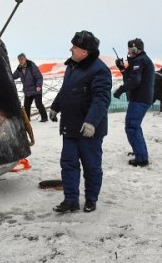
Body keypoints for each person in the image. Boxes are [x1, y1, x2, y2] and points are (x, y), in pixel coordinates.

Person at [48, 30, 111, 213]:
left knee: (91, 166)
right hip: (70, 125)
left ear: (85, 51)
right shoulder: (72, 66)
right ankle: (71, 200)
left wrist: (91, 122)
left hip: (88, 130)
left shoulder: (99, 70)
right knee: (68, 164)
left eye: (75, 47)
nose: (71, 49)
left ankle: (91, 199)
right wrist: (55, 106)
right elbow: (65, 90)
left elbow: (101, 99)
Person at [113, 38, 154, 167]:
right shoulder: (138, 61)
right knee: (135, 126)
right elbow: (130, 77)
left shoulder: (140, 61)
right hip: (140, 99)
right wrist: (122, 68)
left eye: (130, 49)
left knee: (132, 127)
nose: (129, 52)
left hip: (139, 99)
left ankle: (141, 159)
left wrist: (120, 90)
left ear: (136, 49)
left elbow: (134, 81)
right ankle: (139, 151)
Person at [12, 53, 49, 122]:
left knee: (38, 104)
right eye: (19, 60)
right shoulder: (19, 69)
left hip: (36, 88)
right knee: (26, 106)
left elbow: (39, 77)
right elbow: (14, 76)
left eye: (22, 59)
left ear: (25, 59)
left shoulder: (32, 66)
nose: (21, 61)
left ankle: (44, 118)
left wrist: (38, 85)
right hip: (27, 90)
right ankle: (27, 119)